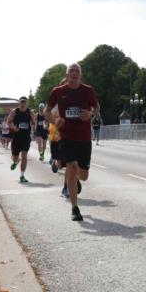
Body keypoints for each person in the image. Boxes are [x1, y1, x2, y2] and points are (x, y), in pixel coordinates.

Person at [47, 63, 100, 222]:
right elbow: (46, 111)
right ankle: (74, 208)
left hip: (84, 138)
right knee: (70, 166)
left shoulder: (88, 90)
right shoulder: (58, 92)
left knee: (83, 176)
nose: (74, 73)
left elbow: (97, 108)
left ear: (80, 75)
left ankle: (76, 178)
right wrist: (55, 120)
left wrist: (90, 114)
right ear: (67, 74)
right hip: (66, 137)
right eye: (71, 71)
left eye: (77, 71)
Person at [7, 97, 35, 183]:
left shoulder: (30, 112)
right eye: (21, 102)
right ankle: (16, 162)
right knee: (15, 157)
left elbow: (34, 122)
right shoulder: (14, 111)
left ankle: (22, 175)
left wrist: (33, 127)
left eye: (24, 102)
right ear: (19, 103)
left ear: (26, 103)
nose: (23, 104)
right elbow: (8, 121)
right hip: (16, 136)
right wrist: (13, 127)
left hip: (26, 137)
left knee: (24, 156)